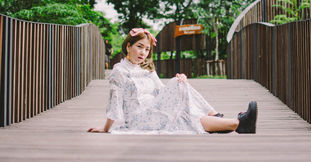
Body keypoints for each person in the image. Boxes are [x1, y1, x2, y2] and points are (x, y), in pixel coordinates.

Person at [88, 28, 257, 134]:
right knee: (182, 107)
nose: (143, 53)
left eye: (147, 49)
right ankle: (219, 116)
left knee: (184, 110)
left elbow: (162, 91)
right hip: (139, 118)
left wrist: (179, 83)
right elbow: (115, 102)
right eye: (139, 46)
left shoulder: (146, 69)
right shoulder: (119, 71)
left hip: (154, 109)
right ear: (128, 46)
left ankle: (238, 124)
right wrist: (105, 128)